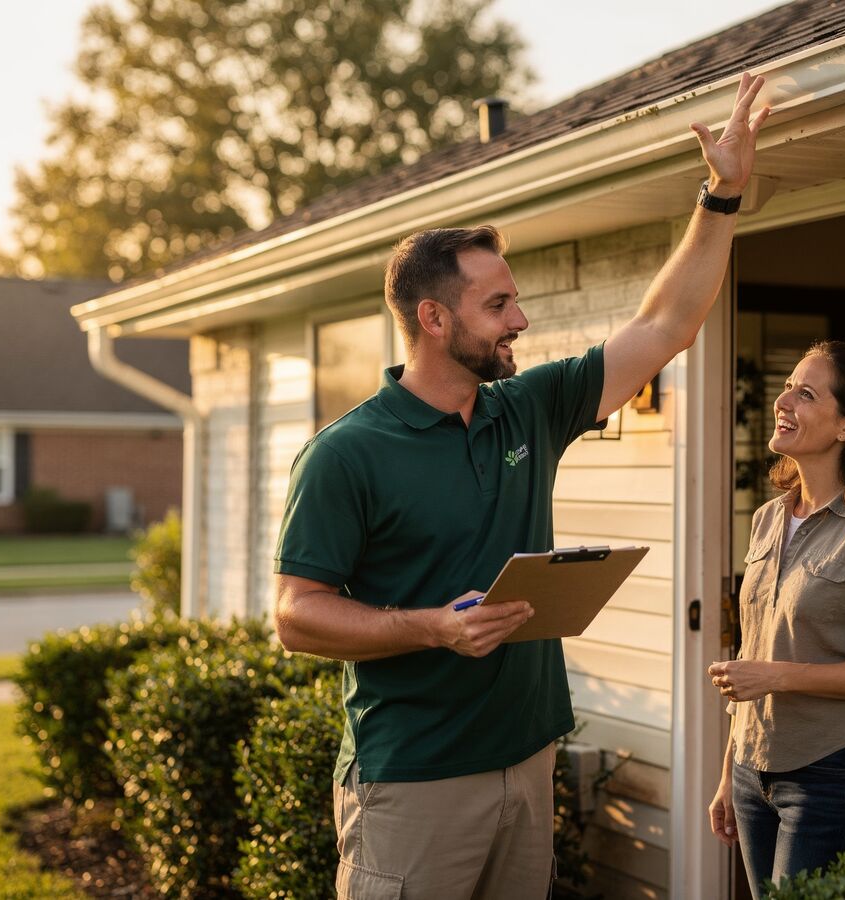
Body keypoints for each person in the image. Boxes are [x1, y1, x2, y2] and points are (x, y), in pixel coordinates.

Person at [272, 74, 769, 900]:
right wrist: (431, 627)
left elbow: (665, 326)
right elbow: (295, 614)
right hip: (414, 779)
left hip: (528, 758)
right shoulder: (347, 453)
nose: (521, 322)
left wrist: (722, 196)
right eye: (498, 304)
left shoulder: (526, 410)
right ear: (434, 319)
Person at [706, 340, 845, 896]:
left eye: (806, 394)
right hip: (755, 767)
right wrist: (731, 773)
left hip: (835, 771)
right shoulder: (766, 520)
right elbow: (754, 649)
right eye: (787, 387)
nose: (785, 401)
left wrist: (776, 676)